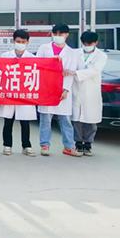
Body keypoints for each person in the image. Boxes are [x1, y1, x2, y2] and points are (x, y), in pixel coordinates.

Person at [37, 23, 82, 157]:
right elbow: (37, 65)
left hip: (62, 89)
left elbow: (70, 73)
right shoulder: (44, 48)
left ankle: (69, 147)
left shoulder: (72, 53)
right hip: (47, 88)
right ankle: (44, 145)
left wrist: (66, 90)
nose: (58, 36)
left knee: (65, 120)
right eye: (55, 33)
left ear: (66, 35)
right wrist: (51, 61)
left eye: (60, 34)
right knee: (45, 119)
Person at [0, 30, 37, 157]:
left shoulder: (32, 58)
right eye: (18, 41)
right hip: (10, 92)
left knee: (25, 121)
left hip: (25, 93)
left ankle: (26, 146)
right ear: (13, 41)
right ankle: (7, 145)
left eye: (23, 42)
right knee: (8, 121)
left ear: (27, 42)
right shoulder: (5, 56)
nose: (20, 44)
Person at [72, 31, 107, 156]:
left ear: (96, 42)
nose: (87, 45)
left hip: (91, 91)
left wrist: (76, 73)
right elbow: (70, 66)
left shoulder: (101, 56)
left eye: (90, 43)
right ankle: (78, 144)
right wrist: (73, 72)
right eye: (85, 43)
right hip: (77, 89)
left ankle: (88, 144)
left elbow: (95, 70)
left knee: (91, 121)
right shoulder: (75, 53)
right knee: (77, 120)